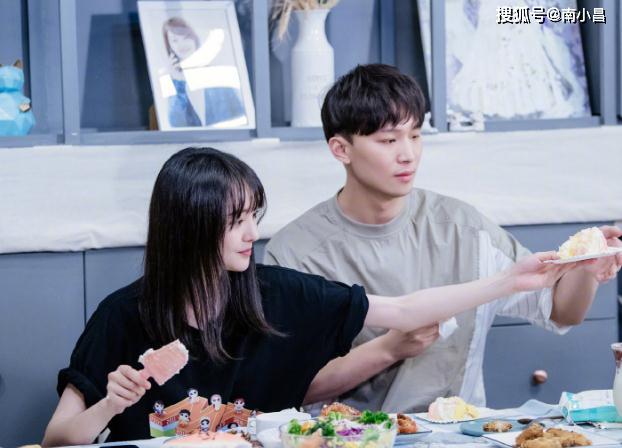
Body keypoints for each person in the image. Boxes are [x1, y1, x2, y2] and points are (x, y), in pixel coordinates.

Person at [43, 147, 579, 446]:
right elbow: (57, 440)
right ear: (189, 225)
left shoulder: (275, 293)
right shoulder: (122, 316)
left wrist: (510, 280)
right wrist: (111, 404)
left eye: (254, 216)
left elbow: (404, 310)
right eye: (235, 220)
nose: (252, 232)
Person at [263, 64, 622, 412]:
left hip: (459, 434)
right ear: (341, 149)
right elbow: (285, 388)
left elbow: (561, 310)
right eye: (388, 140)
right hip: (346, 438)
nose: (408, 155)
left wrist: (586, 267)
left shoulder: (464, 227)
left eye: (415, 135)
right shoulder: (295, 253)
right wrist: (389, 349)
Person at [162, 17, 246, 128]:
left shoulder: (216, 74)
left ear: (194, 38)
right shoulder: (170, 81)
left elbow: (238, 115)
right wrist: (178, 82)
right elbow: (176, 123)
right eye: (175, 40)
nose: (182, 44)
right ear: (169, 47)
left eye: (186, 37)